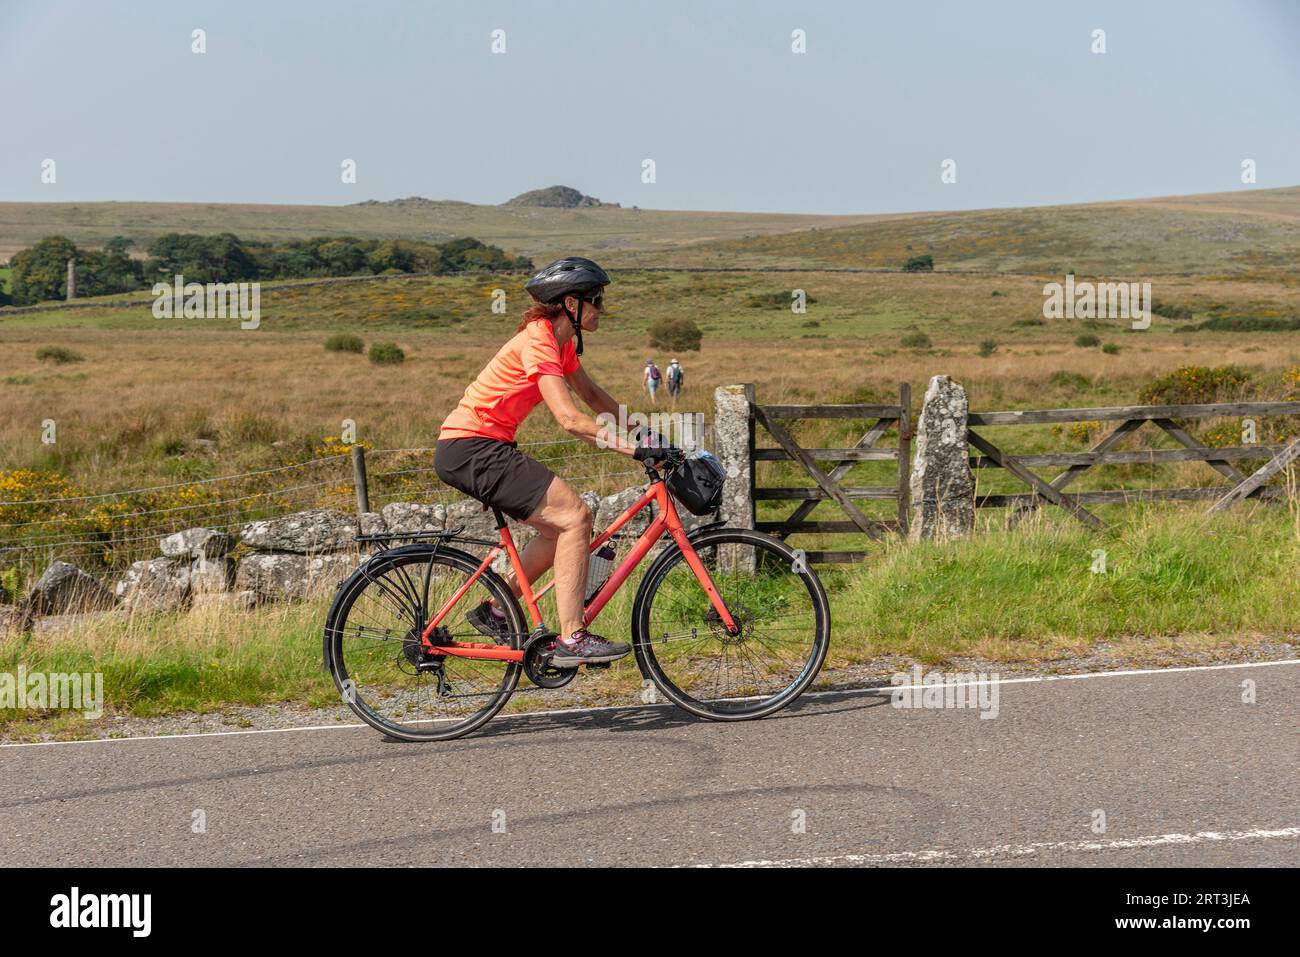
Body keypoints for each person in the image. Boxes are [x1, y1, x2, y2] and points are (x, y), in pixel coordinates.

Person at [434, 257, 667, 668]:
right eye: (595, 299)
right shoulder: (538, 340)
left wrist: (646, 434)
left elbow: (593, 397)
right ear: (571, 305)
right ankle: (573, 638)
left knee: (558, 528)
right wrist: (635, 450)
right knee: (576, 517)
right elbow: (569, 419)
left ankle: (497, 608)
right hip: (472, 447)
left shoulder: (559, 344)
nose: (602, 308)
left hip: (480, 446)